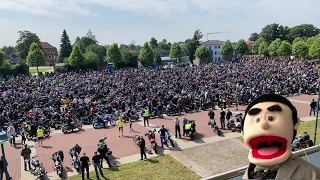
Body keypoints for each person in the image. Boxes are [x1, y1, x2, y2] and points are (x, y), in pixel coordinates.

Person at [241, 94, 320, 179]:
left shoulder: (311, 174)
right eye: (257, 120)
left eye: (270, 118)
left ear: (295, 124)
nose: (263, 124)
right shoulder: (249, 172)